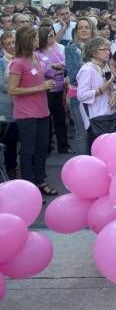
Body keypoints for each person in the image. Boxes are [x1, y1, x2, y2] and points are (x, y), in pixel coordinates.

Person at [8, 26, 56, 195]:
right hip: (26, 114)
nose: (38, 41)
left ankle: (40, 180)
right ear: (28, 41)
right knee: (28, 150)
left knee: (42, 147)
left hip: (42, 111)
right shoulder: (18, 63)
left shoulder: (36, 57)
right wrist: (40, 87)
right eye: (35, 38)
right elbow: (12, 90)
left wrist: (46, 83)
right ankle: (28, 187)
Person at [76, 37, 116, 148]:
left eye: (108, 49)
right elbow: (81, 95)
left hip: (111, 114)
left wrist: (114, 92)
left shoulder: (105, 66)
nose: (107, 52)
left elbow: (113, 83)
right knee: (99, 149)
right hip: (96, 117)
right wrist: (100, 90)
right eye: (103, 49)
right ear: (93, 52)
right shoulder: (87, 69)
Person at [36, 25, 68, 155]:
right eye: (50, 35)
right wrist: (57, 69)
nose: (53, 37)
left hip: (59, 88)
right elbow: (43, 69)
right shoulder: (36, 53)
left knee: (60, 118)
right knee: (47, 120)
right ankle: (47, 146)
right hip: (46, 90)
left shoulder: (56, 49)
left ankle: (63, 146)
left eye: (53, 34)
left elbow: (65, 64)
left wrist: (57, 68)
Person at [65, 18, 96, 155]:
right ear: (76, 31)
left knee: (97, 131)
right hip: (78, 96)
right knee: (82, 133)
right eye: (80, 27)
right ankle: (84, 167)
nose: (83, 30)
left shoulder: (99, 46)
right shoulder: (70, 49)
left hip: (97, 95)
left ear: (92, 30)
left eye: (86, 27)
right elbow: (73, 76)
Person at [0, 32, 18, 178]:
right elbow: (4, 85)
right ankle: (9, 169)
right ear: (3, 46)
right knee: (8, 139)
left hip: (22, 106)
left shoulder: (24, 59)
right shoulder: (1, 62)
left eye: (13, 42)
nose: (11, 46)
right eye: (8, 44)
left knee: (17, 139)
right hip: (5, 107)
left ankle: (13, 167)